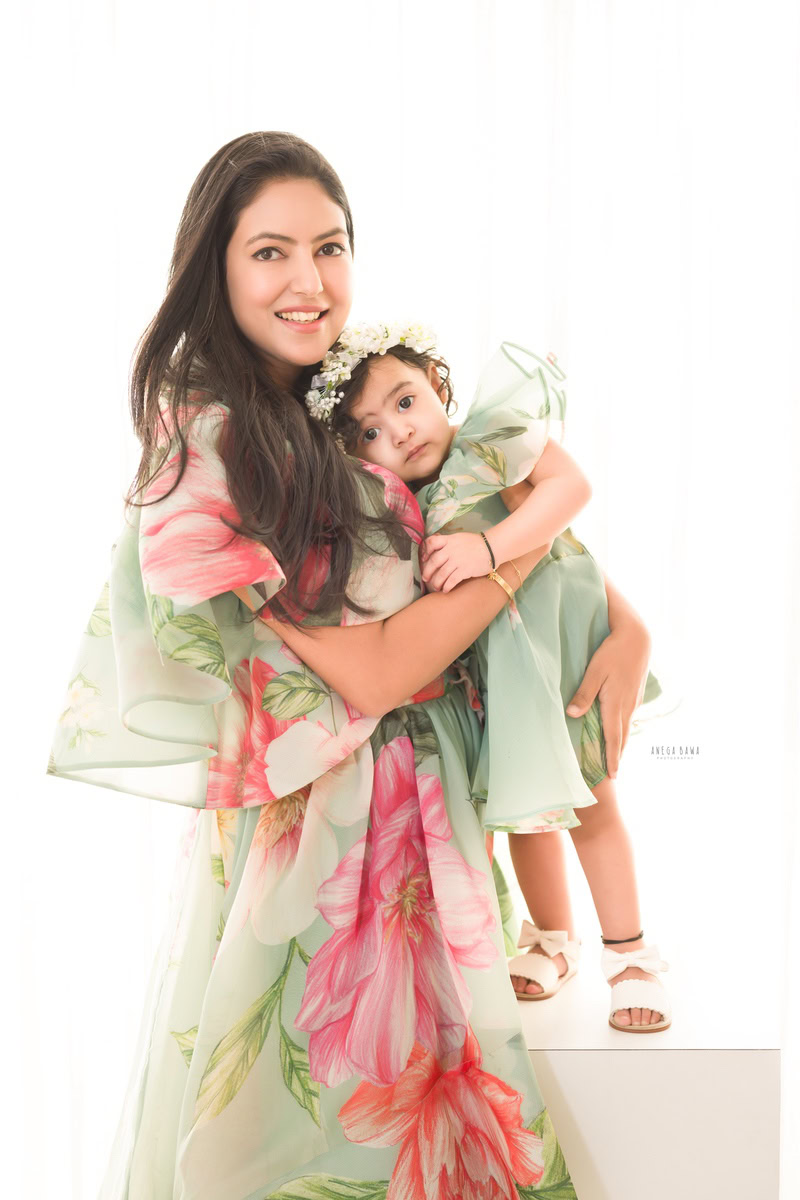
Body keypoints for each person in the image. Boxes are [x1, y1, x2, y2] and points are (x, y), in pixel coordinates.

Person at [46, 131, 648, 1197]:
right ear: (215, 267)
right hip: (326, 834)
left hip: (423, 811)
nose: (307, 279)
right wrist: (507, 571)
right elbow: (370, 675)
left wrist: (624, 624)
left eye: (328, 246)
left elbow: (488, 499)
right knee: (309, 1149)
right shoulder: (209, 435)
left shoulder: (339, 395)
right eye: (269, 252)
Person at [309, 323, 670, 1033]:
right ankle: (550, 939)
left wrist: (490, 546)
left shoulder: (488, 437)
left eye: (406, 402)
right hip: (491, 684)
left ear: (438, 388)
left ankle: (630, 955)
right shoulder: (396, 508)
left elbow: (570, 489)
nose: (400, 434)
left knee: (593, 807)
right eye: (371, 434)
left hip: (562, 663)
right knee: (526, 813)